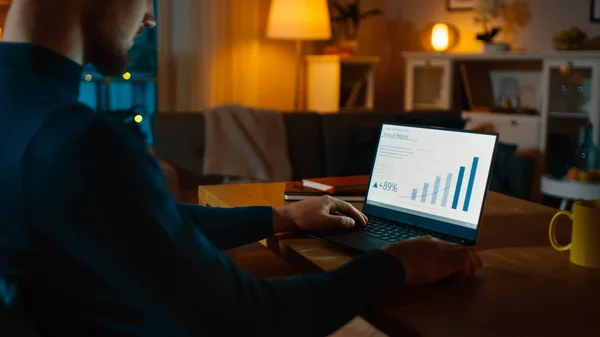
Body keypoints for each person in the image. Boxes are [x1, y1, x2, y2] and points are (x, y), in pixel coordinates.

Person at [0, 0, 482, 336]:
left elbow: (138, 222)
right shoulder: (76, 142)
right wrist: (395, 264)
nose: (148, 16)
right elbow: (250, 319)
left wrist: (281, 217)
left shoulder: (24, 120)